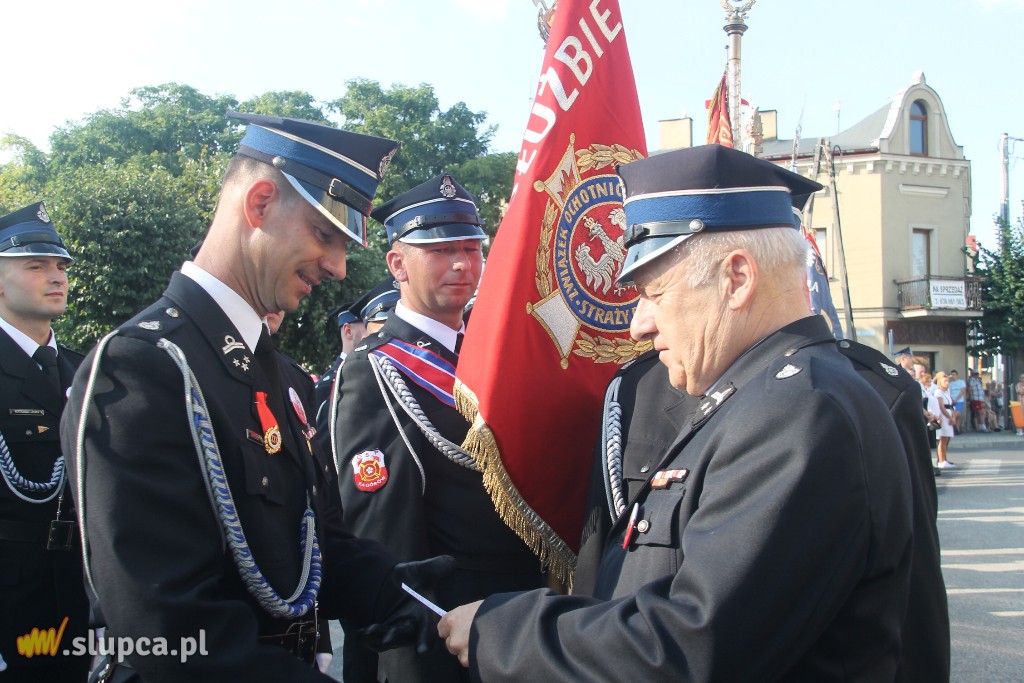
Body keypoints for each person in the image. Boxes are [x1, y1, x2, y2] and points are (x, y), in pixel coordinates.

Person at [439, 144, 913, 681]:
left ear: (736, 279)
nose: (638, 325)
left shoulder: (800, 413)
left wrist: (503, 631)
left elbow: (693, 646)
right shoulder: (763, 397)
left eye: (654, 293)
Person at [60, 112, 454, 682]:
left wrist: (400, 597)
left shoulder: (285, 379)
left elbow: (314, 539)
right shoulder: (142, 368)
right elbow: (163, 630)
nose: (339, 268)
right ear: (261, 202)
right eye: (325, 235)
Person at [334, 174, 545, 683]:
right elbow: (384, 534)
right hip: (448, 632)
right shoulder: (374, 370)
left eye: (472, 249)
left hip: (522, 616)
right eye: (441, 250)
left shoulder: (491, 352)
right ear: (397, 264)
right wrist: (413, 654)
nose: (462, 264)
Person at [0, 203, 90, 681]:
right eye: (35, 265)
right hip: (11, 600)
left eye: (60, 266)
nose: (56, 276)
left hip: (78, 591)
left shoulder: (85, 370)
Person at [574, 350, 696, 595]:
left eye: (659, 307)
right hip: (618, 617)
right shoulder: (638, 384)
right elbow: (598, 548)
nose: (638, 329)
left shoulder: (781, 392)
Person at [933, 371, 956, 469]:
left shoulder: (947, 392)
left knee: (947, 439)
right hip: (944, 416)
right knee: (943, 439)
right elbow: (941, 407)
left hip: (949, 413)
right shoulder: (938, 392)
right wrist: (950, 417)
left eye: (947, 381)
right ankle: (941, 460)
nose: (947, 383)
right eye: (945, 381)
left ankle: (945, 458)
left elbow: (951, 405)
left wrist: (954, 416)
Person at [948, 369, 966, 433]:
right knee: (954, 414)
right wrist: (952, 400)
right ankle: (956, 429)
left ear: (957, 375)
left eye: (954, 374)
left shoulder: (961, 382)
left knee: (957, 415)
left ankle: (956, 428)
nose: (953, 376)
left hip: (959, 401)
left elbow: (963, 391)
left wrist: (956, 399)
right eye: (952, 375)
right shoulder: (950, 384)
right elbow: (949, 392)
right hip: (952, 401)